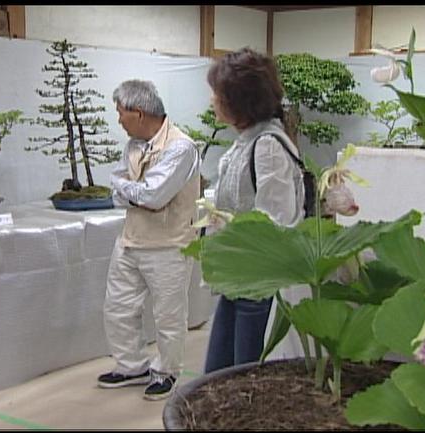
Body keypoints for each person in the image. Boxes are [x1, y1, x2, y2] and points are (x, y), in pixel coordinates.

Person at [203, 47, 305, 373]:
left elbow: (276, 222)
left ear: (238, 102)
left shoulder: (268, 146)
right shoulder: (248, 140)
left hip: (257, 283)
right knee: (220, 372)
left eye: (217, 94)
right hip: (240, 277)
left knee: (244, 376)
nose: (212, 101)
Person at [98, 79, 201, 401]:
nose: (118, 119)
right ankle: (130, 365)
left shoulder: (181, 147)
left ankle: (167, 371)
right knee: (117, 308)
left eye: (120, 113)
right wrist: (134, 193)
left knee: (168, 316)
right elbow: (118, 191)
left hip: (169, 244)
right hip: (130, 240)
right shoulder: (133, 145)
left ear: (138, 113)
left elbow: (154, 197)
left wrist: (129, 190)